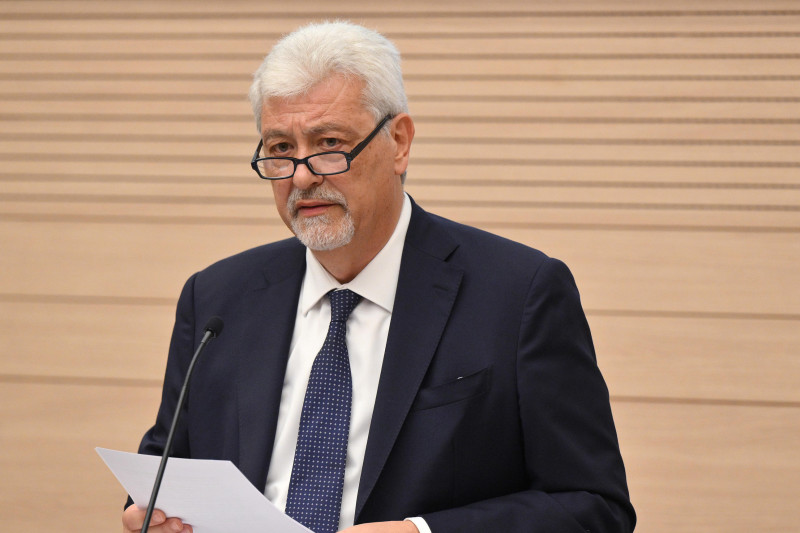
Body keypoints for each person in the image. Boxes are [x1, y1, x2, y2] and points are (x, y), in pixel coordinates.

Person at [122, 20, 635, 533]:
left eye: (329, 142)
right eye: (280, 149)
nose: (302, 175)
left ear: (399, 142)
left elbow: (594, 506)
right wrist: (151, 516)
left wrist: (421, 532)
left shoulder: (519, 294)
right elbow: (164, 471)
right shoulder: (217, 299)